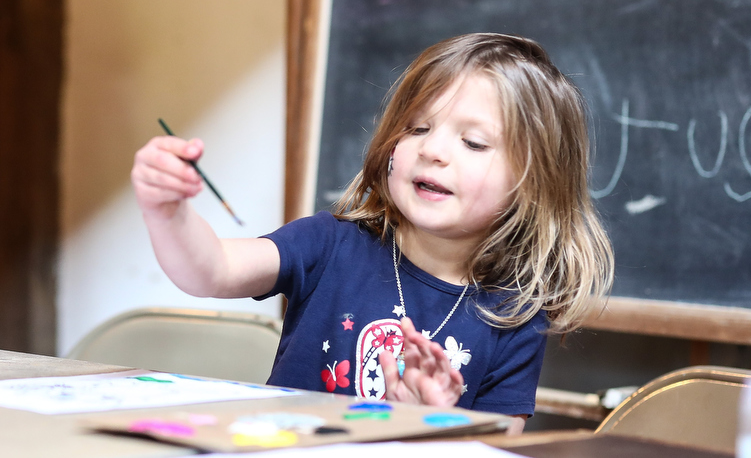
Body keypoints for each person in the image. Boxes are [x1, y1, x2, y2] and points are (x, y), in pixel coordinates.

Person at [131, 33, 614, 434]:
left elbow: (496, 446)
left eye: (473, 142)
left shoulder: (515, 317)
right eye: (418, 128)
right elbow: (211, 270)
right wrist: (166, 211)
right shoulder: (329, 242)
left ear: (533, 183)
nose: (434, 150)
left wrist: (433, 422)